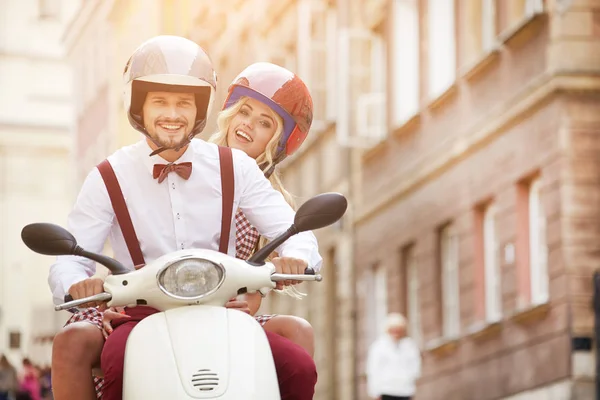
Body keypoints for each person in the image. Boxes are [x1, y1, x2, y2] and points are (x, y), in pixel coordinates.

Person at [47, 36, 321, 400]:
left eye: (183, 104)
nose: (172, 115)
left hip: (220, 311)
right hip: (140, 314)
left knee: (299, 367)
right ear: (138, 108)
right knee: (116, 360)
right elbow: (72, 255)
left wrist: (298, 256)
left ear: (201, 110)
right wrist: (76, 284)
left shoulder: (234, 167)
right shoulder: (109, 174)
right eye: (160, 102)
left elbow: (289, 228)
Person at [366, 313, 422, 400]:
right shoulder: (379, 347)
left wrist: (409, 380)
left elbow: (415, 366)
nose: (396, 332)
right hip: (386, 390)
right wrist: (374, 392)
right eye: (393, 329)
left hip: (404, 390)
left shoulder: (409, 346)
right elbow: (373, 370)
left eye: (398, 330)